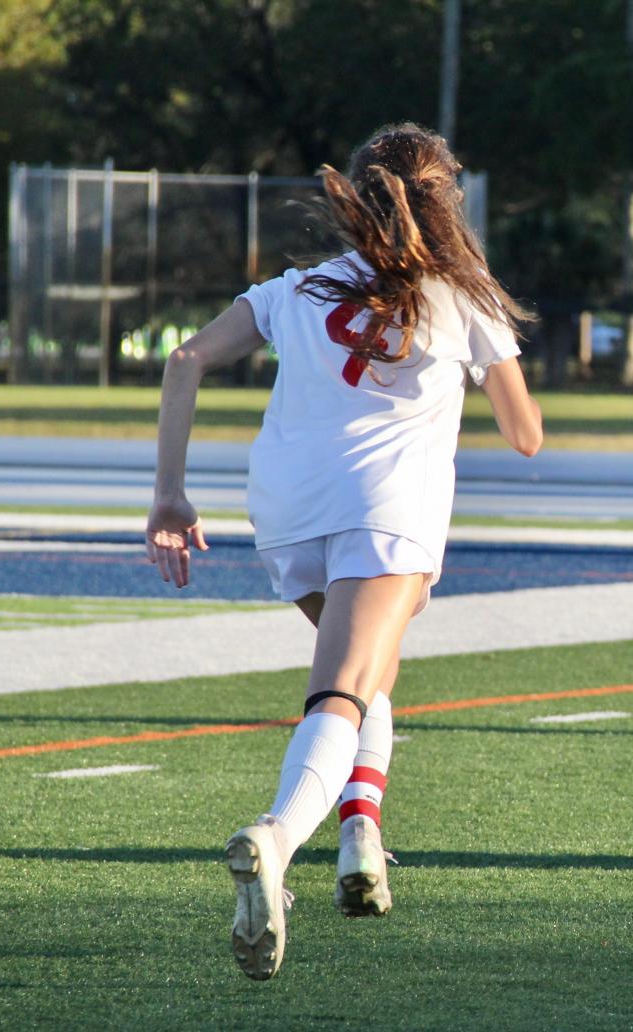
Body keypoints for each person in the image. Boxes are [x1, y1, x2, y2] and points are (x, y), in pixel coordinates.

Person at [144, 123, 542, 981]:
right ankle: (280, 838)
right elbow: (525, 435)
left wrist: (170, 495)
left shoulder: (296, 287)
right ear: (445, 202)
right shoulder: (460, 295)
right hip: (383, 509)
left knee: (368, 674)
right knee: (339, 690)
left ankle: (362, 830)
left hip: (285, 510)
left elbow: (184, 360)